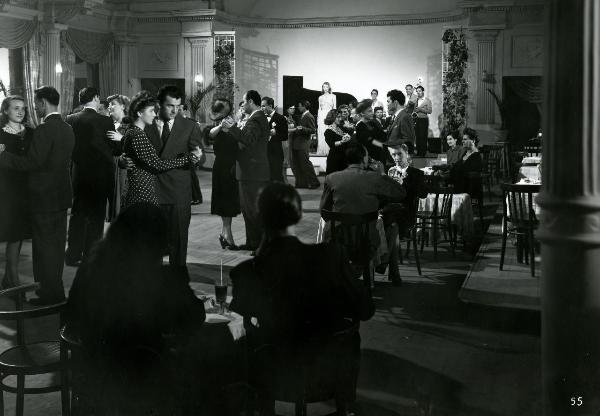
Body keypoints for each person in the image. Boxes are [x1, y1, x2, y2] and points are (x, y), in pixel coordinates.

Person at [230, 182, 374, 415]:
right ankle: (347, 405)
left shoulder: (247, 272)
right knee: (351, 338)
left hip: (276, 375)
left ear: (260, 218)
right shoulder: (330, 256)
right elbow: (366, 310)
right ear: (297, 215)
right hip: (326, 371)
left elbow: (245, 317)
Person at [65, 202, 206, 415]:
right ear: (156, 242)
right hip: (143, 380)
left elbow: (70, 317)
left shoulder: (91, 267)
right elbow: (195, 317)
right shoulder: (157, 280)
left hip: (94, 375)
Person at [0, 86, 74, 305]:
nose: (32, 108)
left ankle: (48, 294)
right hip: (60, 197)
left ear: (42, 103)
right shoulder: (67, 128)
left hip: (43, 198)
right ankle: (55, 291)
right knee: (57, 247)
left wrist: (3, 157)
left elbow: (33, 162)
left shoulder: (42, 130)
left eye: (34, 103)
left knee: (44, 249)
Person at [142, 85, 204, 266]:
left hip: (178, 192)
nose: (175, 110)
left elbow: (200, 155)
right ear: (159, 104)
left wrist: (197, 158)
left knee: (178, 241)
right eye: (170, 106)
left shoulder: (189, 126)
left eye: (178, 106)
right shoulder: (145, 123)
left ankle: (177, 280)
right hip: (151, 191)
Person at [65, 86, 116, 267]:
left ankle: (72, 255)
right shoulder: (105, 121)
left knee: (78, 214)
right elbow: (115, 149)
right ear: (95, 98)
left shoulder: (70, 119)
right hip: (100, 175)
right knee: (96, 216)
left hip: (78, 174)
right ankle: (91, 256)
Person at [122, 91, 198, 207]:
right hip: (142, 191)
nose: (154, 114)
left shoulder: (133, 132)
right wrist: (188, 158)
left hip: (144, 188)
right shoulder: (137, 134)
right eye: (151, 111)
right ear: (139, 113)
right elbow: (157, 165)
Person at [220, 90, 270, 252]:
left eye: (243, 101)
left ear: (250, 101)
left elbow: (248, 140)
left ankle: (260, 246)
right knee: (249, 210)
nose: (242, 104)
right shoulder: (257, 118)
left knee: (253, 210)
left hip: (252, 172)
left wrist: (233, 128)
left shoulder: (256, 119)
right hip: (252, 170)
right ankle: (253, 243)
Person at [379, 144, 427, 286]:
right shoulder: (390, 171)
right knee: (392, 227)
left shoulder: (416, 173)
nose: (396, 158)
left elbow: (423, 194)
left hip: (406, 214)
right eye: (393, 155)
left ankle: (384, 262)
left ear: (407, 154)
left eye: (399, 154)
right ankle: (394, 274)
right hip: (391, 213)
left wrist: (404, 184)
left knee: (391, 223)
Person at [0, 96, 33, 289]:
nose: (20, 112)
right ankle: (13, 280)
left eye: (23, 108)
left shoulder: (31, 133)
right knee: (12, 231)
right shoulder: (0, 134)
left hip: (26, 189)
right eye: (15, 108)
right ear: (6, 111)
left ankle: (9, 278)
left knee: (18, 233)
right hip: (6, 189)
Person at [207, 98, 241, 250]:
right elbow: (210, 135)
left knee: (230, 202)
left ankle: (225, 234)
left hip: (232, 166)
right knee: (224, 201)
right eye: (226, 106)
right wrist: (221, 125)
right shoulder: (217, 125)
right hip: (221, 167)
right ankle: (228, 236)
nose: (229, 107)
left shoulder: (233, 122)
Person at [106, 94, 131, 221]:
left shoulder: (131, 124)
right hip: (110, 167)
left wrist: (122, 139)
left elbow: (138, 145)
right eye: (109, 104)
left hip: (124, 169)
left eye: (113, 104)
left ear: (122, 106)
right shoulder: (108, 123)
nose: (109, 107)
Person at [290, 99, 320, 189]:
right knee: (298, 164)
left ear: (304, 106)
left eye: (299, 106)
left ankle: (314, 182)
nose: (298, 107)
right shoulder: (303, 115)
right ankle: (301, 183)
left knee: (305, 164)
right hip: (298, 143)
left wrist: (302, 128)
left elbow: (312, 130)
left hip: (303, 144)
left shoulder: (309, 116)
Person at [261, 96, 288, 182]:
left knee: (276, 176)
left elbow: (285, 136)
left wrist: (276, 133)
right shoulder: (261, 118)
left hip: (275, 153)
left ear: (270, 106)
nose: (262, 108)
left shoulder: (280, 118)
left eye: (263, 106)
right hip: (263, 152)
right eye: (261, 106)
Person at [354, 99, 388, 166]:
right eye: (369, 111)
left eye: (372, 110)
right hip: (369, 158)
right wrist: (383, 145)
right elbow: (369, 140)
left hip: (380, 155)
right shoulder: (359, 126)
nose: (372, 113)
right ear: (362, 113)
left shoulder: (372, 123)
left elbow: (382, 134)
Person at [451, 127, 483, 195]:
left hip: (468, 191)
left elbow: (468, 173)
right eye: (463, 139)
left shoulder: (476, 156)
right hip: (460, 186)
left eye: (465, 139)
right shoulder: (466, 152)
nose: (462, 141)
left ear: (473, 141)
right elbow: (457, 165)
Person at [386, 89, 416, 153]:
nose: (387, 104)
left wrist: (388, 144)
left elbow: (408, 141)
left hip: (400, 158)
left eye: (388, 101)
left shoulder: (404, 117)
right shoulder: (397, 116)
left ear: (395, 102)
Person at [324, 108, 353, 174]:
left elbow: (349, 135)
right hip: (335, 159)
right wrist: (342, 141)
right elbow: (332, 144)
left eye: (340, 117)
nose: (340, 119)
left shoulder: (341, 127)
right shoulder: (328, 131)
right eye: (338, 117)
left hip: (344, 158)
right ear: (332, 118)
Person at [317, 81, 336, 155]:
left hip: (329, 115)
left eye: (327, 87)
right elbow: (319, 109)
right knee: (322, 132)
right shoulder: (320, 97)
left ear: (329, 87)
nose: (325, 88)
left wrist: (333, 118)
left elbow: (334, 108)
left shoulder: (333, 96)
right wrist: (318, 119)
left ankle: (329, 151)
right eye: (324, 87)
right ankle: (322, 151)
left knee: (329, 131)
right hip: (322, 115)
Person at [413, 86, 432, 156]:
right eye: (417, 91)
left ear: (423, 91)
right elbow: (414, 110)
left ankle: (423, 152)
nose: (418, 92)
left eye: (420, 91)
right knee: (417, 136)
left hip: (424, 119)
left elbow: (430, 111)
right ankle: (418, 152)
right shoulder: (416, 100)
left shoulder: (427, 100)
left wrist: (420, 109)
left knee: (423, 136)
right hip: (416, 119)